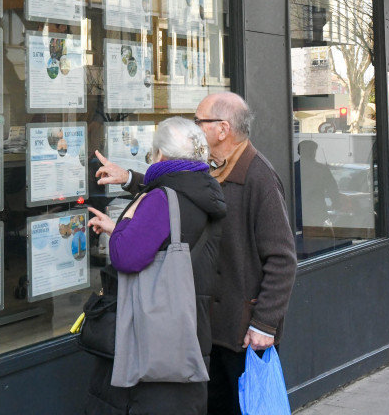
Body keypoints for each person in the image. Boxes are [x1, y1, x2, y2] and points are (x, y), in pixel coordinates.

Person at [95, 93, 297, 415]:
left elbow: (283, 258)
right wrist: (132, 179)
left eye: (198, 120)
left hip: (241, 331)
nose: (194, 127)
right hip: (206, 325)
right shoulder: (214, 170)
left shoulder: (258, 177)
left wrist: (265, 324)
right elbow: (183, 195)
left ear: (222, 129)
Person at [85, 116, 226, 414]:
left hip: (154, 338)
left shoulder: (161, 198)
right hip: (188, 325)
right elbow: (169, 237)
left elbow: (125, 256)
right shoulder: (205, 189)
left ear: (160, 154)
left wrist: (125, 221)